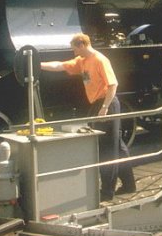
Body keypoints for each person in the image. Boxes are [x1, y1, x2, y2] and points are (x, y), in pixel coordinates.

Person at [40, 33, 136, 201]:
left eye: (75, 49)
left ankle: (107, 192)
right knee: (117, 146)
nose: (74, 53)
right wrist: (38, 64)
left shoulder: (100, 60)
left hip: (107, 103)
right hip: (98, 104)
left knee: (107, 149)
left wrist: (105, 108)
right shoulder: (82, 61)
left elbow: (113, 85)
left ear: (82, 45)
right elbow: (60, 65)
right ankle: (129, 185)